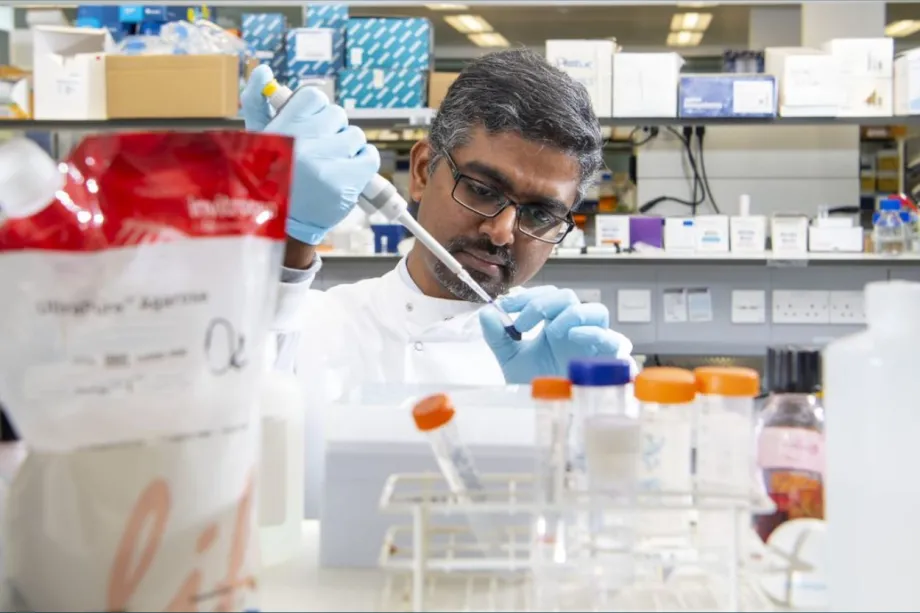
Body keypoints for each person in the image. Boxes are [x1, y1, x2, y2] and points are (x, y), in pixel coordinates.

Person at [241, 49, 636, 403]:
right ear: (421, 171)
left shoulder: (580, 357)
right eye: (482, 190)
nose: (501, 232)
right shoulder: (312, 327)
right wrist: (290, 237)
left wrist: (576, 412)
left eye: (539, 215)